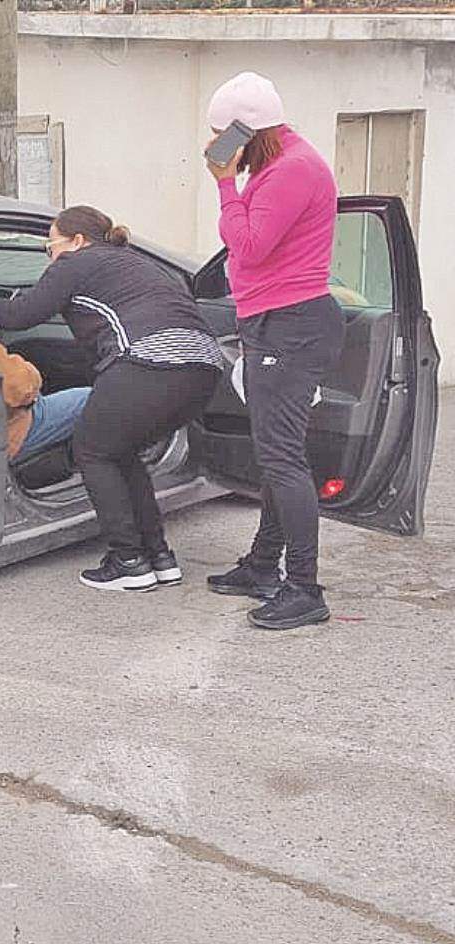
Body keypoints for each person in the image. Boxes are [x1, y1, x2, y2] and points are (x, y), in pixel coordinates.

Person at [0, 206, 222, 592]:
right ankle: (158, 558)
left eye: (49, 246)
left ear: (75, 240)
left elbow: (20, 315)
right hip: (203, 367)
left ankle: (128, 560)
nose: (49, 255)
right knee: (120, 451)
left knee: (93, 449)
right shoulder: (133, 263)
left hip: (150, 361)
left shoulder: (75, 262)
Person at [202, 72, 343, 630]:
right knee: (275, 454)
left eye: (220, 137)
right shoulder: (277, 164)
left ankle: (304, 589)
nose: (215, 147)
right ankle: (263, 565)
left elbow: (250, 245)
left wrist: (222, 185)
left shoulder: (292, 170)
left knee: (283, 460)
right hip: (276, 323)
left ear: (245, 132)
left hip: (291, 326)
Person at [0, 336, 92, 461]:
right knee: (94, 399)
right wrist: (31, 375)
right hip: (8, 435)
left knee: (31, 350)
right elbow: (20, 389)